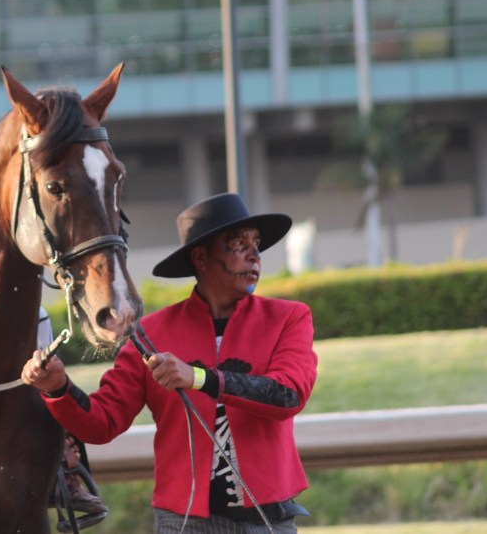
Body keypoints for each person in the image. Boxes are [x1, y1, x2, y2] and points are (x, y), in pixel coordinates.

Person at [22, 192, 318, 533]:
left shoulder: (289, 318)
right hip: (184, 523)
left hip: (269, 521)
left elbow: (289, 395)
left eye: (256, 244)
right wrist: (58, 388)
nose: (255, 255)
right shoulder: (150, 333)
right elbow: (102, 423)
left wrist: (198, 378)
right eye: (239, 244)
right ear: (201, 257)